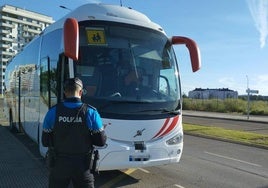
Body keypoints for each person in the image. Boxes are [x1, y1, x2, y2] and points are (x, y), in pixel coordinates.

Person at [41, 77, 106, 188]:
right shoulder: (91, 112)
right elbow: (101, 142)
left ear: (65, 92)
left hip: (59, 165)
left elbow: (45, 142)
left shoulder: (52, 112)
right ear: (81, 92)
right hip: (83, 167)